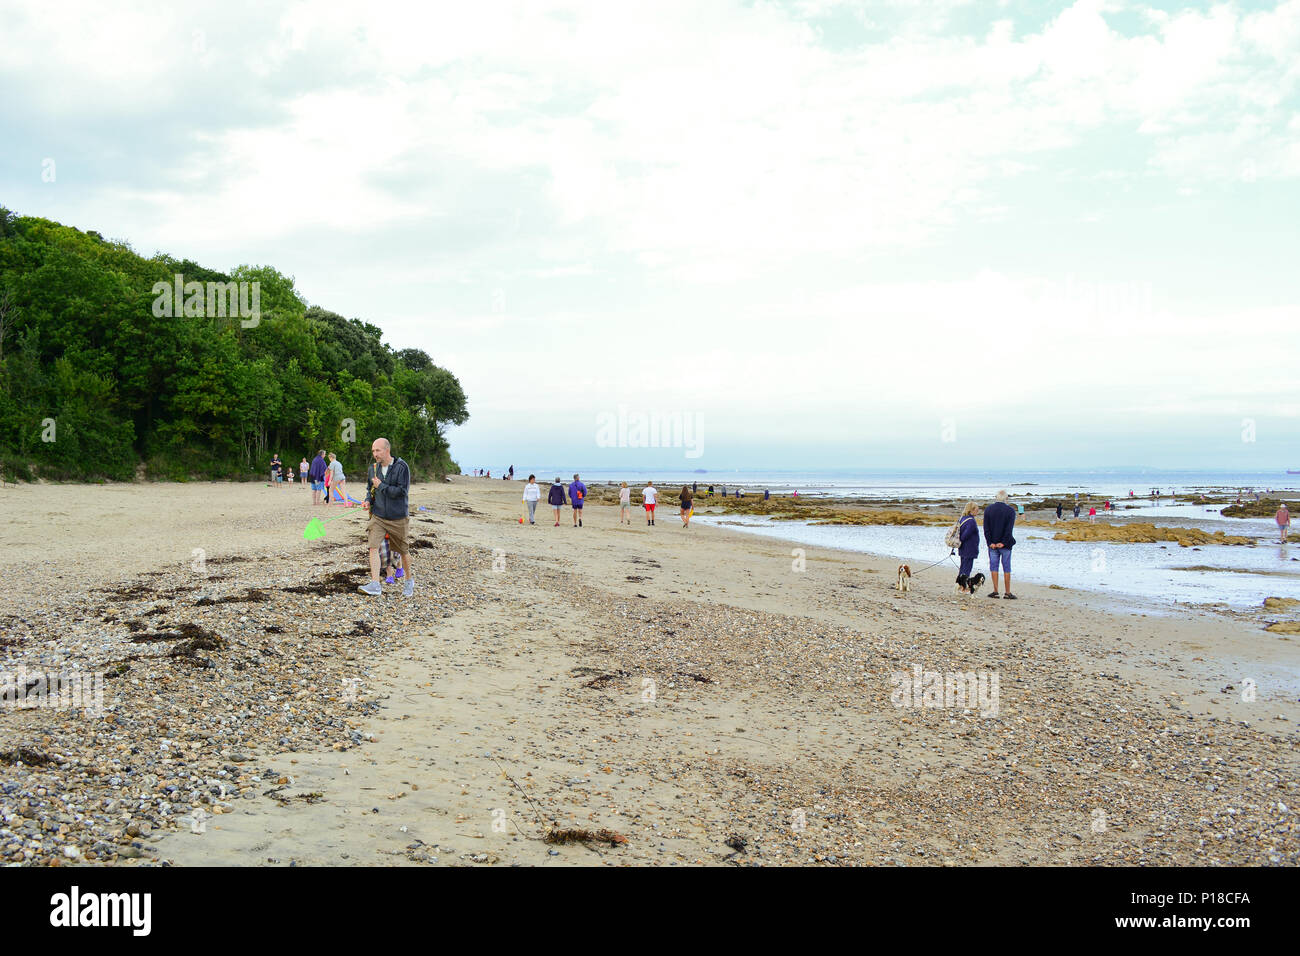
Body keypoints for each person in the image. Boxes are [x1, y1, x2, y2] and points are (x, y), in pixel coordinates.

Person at [359, 438, 413, 597]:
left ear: (387, 450)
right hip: (378, 516)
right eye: (373, 451)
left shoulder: (402, 467)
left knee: (403, 550)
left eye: (378, 451)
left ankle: (409, 581)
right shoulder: (372, 468)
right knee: (373, 547)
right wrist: (368, 501)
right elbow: (370, 489)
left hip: (398, 517)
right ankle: (375, 584)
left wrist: (381, 486)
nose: (375, 454)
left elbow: (402, 492)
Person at [983, 489, 1017, 599]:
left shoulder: (988, 509)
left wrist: (990, 542)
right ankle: (1007, 592)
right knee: (1006, 567)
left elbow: (986, 528)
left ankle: (995, 590)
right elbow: (1009, 529)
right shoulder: (1010, 511)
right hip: (1005, 544)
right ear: (1006, 499)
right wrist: (1003, 542)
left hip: (993, 544)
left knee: (994, 566)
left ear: (996, 497)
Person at [955, 501, 980, 593]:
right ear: (971, 510)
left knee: (963, 567)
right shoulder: (971, 521)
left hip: (963, 547)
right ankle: (963, 587)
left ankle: (959, 586)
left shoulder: (962, 518)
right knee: (966, 568)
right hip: (969, 548)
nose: (978, 511)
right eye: (977, 509)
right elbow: (965, 535)